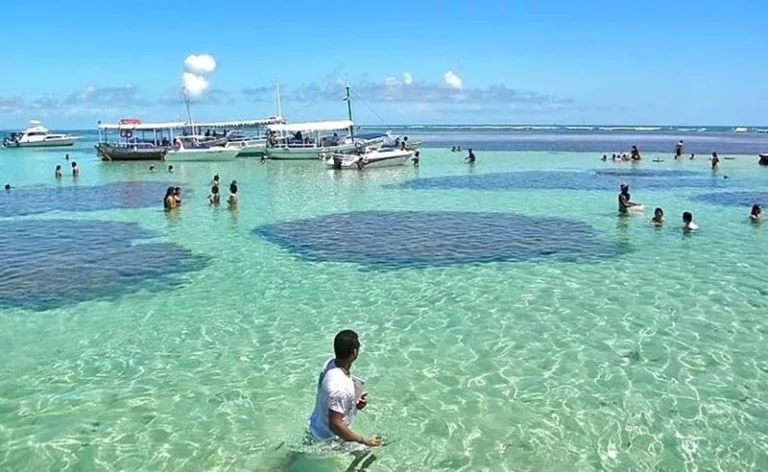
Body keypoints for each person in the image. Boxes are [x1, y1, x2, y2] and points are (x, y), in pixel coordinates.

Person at [308, 330, 380, 447]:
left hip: (316, 425)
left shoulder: (330, 364)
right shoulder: (341, 387)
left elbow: (330, 396)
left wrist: (353, 403)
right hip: (329, 439)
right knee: (368, 452)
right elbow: (336, 425)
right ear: (354, 352)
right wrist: (364, 441)